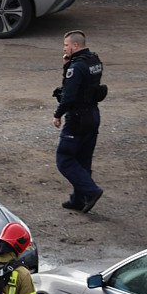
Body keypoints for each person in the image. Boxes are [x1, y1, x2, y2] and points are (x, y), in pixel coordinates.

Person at [52, 29, 105, 213]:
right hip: (93, 115)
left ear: (75, 46)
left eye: (66, 45)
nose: (64, 48)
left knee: (65, 159)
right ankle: (78, 200)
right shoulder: (94, 61)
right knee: (83, 159)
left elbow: (69, 95)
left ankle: (91, 192)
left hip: (78, 118)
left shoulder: (77, 67)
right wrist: (68, 65)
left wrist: (58, 114)